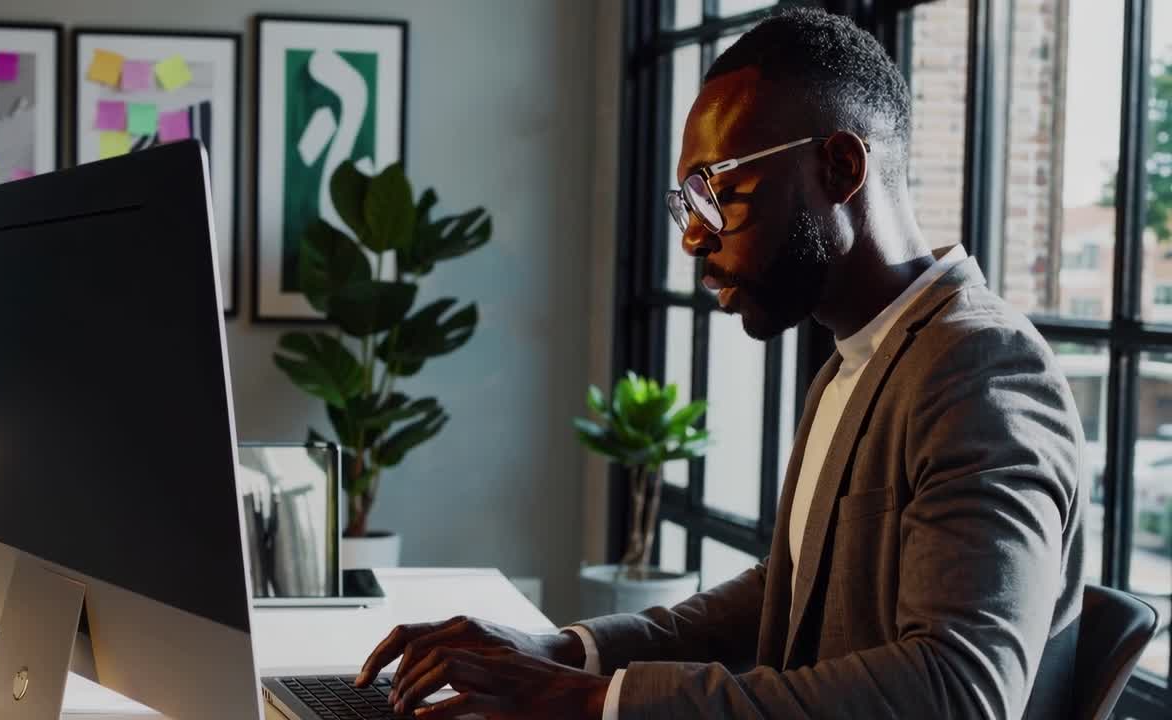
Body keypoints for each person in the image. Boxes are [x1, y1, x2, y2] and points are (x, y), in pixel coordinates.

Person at [355, 7, 1084, 719]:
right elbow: (784, 593)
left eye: (716, 191)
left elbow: (960, 692)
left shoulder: (980, 368)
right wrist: (564, 653)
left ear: (839, 165)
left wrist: (591, 703)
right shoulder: (852, 362)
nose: (693, 241)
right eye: (686, 205)